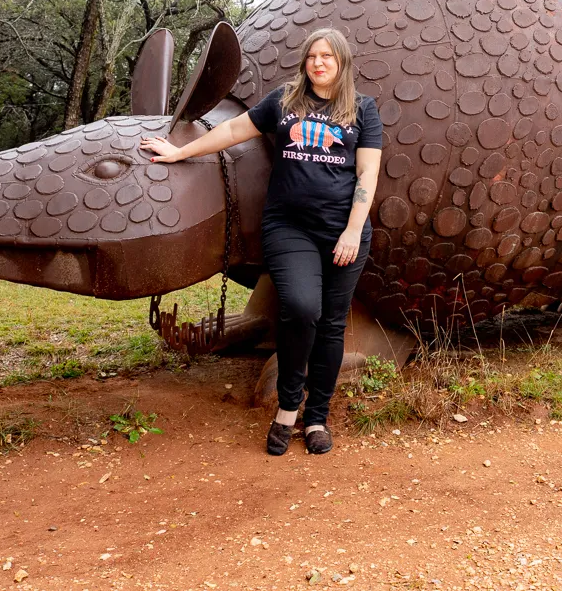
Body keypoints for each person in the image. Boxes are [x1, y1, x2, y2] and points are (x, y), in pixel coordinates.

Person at [139, 28, 383, 456]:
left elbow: (367, 174)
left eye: (327, 56)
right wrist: (181, 152)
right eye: (312, 56)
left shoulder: (363, 110)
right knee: (302, 309)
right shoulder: (284, 101)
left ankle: (316, 418)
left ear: (342, 62)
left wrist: (350, 230)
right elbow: (234, 129)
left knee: (331, 325)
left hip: (344, 232)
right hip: (290, 227)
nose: (318, 63)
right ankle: (288, 408)